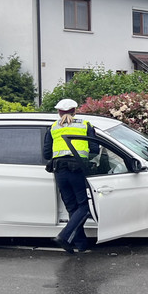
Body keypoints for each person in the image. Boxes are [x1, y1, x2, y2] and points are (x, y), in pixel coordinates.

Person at [43, 98, 98, 253]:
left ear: (59, 112)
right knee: (84, 207)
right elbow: (94, 149)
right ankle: (64, 236)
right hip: (77, 170)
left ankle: (80, 244)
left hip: (59, 171)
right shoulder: (85, 125)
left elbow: (46, 154)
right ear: (75, 111)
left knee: (72, 207)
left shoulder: (53, 128)